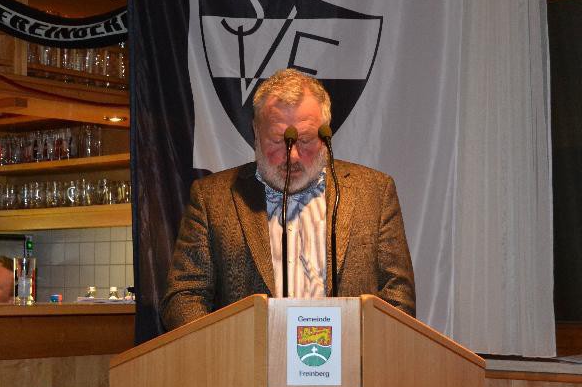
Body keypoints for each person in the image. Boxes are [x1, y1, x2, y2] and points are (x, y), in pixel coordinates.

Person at [160, 68, 415, 330]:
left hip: (349, 354)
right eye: (277, 140)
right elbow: (183, 297)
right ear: (256, 132)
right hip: (246, 355)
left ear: (326, 135)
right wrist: (228, 348)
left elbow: (398, 298)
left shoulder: (374, 192)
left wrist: (362, 348)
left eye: (304, 140)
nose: (292, 155)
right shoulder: (212, 197)